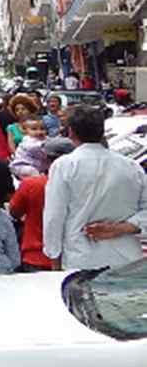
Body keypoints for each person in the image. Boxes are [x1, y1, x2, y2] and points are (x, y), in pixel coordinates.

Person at [43, 104, 147, 270]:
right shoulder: (131, 166)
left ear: (70, 132)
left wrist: (53, 256)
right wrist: (120, 228)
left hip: (83, 259)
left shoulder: (64, 166)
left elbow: (54, 216)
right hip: (126, 258)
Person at [8, 137, 72, 272]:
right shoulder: (83, 186)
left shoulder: (31, 184)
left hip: (35, 256)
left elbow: (14, 212)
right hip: (73, 255)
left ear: (46, 159)